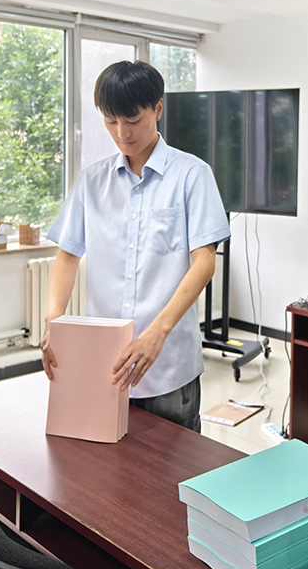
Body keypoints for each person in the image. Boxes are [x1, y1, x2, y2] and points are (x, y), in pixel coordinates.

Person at [41, 60, 230, 432]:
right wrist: (53, 321)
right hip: (102, 361)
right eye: (111, 120)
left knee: (172, 463)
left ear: (157, 109)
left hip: (168, 364)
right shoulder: (92, 182)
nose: (121, 132)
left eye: (132, 119)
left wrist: (157, 333)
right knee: (101, 461)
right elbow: (67, 256)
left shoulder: (192, 175)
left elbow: (204, 262)